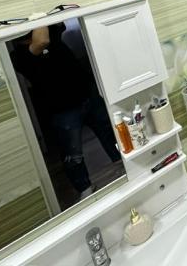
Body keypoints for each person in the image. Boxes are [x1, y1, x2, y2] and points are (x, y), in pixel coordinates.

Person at [11, 23, 121, 200]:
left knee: (111, 133)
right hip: (62, 109)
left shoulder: (52, 34)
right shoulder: (19, 56)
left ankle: (124, 164)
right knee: (73, 153)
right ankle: (85, 190)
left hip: (87, 94)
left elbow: (58, 23)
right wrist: (34, 18)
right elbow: (41, 41)